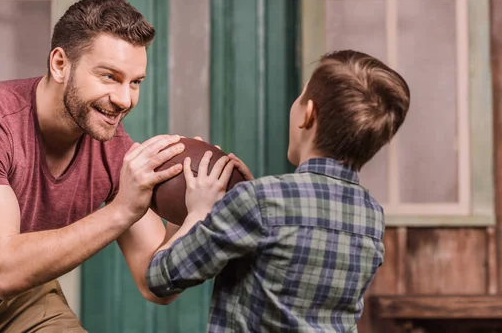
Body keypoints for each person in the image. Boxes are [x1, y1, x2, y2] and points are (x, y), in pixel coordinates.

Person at [0, 0, 191, 332]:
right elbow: (1, 271)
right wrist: (122, 210)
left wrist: (189, 212)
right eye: (109, 76)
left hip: (24, 302)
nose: (125, 99)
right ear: (59, 64)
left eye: (135, 82)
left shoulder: (111, 148)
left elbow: (154, 281)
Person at [146, 50, 411, 332]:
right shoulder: (370, 216)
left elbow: (161, 278)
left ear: (307, 115)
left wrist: (198, 212)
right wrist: (248, 198)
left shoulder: (261, 204)